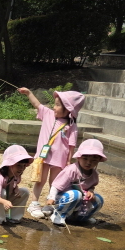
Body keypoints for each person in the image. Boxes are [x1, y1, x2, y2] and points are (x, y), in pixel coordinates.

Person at [17, 87, 84, 219]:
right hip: (44, 157)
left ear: (68, 109)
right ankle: (34, 204)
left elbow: (71, 145)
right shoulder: (48, 114)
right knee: (40, 180)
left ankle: (50, 204)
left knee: (55, 183)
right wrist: (29, 93)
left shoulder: (71, 125)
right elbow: (37, 105)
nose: (54, 107)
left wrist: (69, 161)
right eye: (55, 104)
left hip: (60, 158)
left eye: (58, 105)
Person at [46, 138, 106, 226]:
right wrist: (52, 198)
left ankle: (81, 218)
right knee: (75, 194)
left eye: (93, 160)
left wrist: (91, 191)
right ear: (78, 157)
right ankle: (58, 215)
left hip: (81, 200)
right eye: (85, 159)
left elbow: (91, 186)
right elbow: (55, 186)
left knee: (99, 199)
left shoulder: (94, 174)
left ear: (99, 160)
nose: (88, 163)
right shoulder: (71, 170)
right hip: (64, 198)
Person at [0, 145, 33, 225]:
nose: (21, 169)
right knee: (2, 192)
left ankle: (13, 216)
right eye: (18, 165)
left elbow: (13, 185)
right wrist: (4, 202)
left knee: (25, 191)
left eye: (24, 166)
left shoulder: (16, 176)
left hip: (5, 198)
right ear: (9, 165)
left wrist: (16, 189)